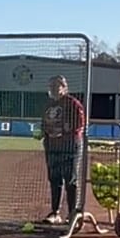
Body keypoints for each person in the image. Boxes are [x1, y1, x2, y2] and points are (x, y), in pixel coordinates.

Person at [39, 74, 86, 224]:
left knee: (70, 179)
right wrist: (43, 132)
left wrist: (65, 133)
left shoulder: (72, 103)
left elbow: (80, 124)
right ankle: (55, 213)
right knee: (54, 179)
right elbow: (44, 124)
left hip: (69, 147)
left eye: (56, 86)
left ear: (64, 87)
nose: (53, 89)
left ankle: (73, 213)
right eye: (51, 86)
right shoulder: (48, 105)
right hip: (52, 146)